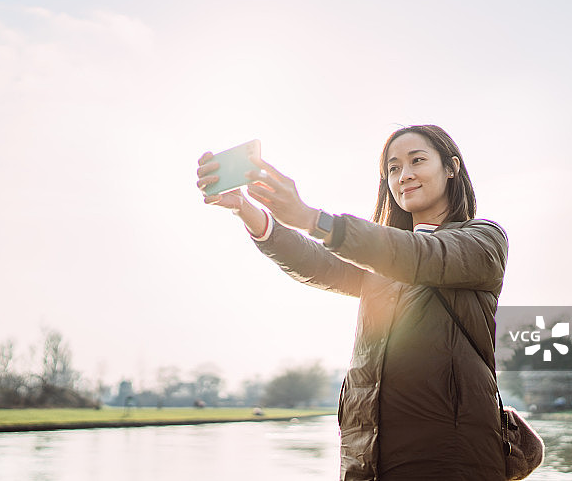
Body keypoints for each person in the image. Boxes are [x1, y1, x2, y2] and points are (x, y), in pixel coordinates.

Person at [196, 125, 508, 480]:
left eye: (417, 160)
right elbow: (317, 264)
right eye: (393, 168)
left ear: (451, 167)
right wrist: (245, 209)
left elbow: (421, 254)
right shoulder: (381, 260)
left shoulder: (483, 240)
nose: (404, 175)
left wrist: (312, 219)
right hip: (365, 462)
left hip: (449, 461)